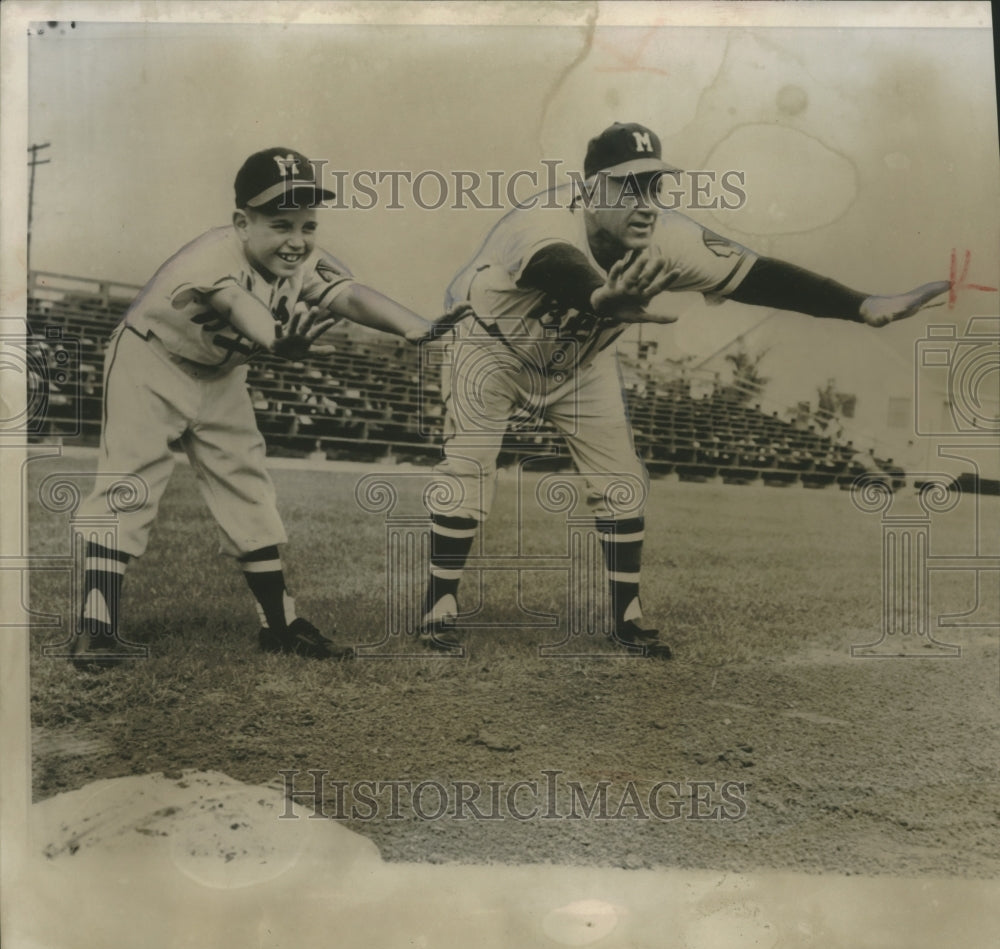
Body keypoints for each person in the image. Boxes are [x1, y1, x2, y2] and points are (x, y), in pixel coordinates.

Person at [420, 121, 948, 657]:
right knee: (467, 466)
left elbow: (759, 276)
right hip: (490, 349)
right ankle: (440, 604)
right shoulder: (540, 218)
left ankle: (627, 617)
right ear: (589, 190)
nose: (647, 202)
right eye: (629, 188)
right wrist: (601, 298)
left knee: (622, 480)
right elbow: (556, 265)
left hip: (580, 364)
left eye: (654, 187)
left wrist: (861, 305)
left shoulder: (668, 239)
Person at [69, 147, 453, 670]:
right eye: (280, 224)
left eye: (307, 224)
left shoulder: (298, 259)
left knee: (248, 488)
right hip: (151, 360)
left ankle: (279, 625)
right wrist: (277, 340)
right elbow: (236, 305)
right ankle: (95, 628)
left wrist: (417, 326)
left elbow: (351, 296)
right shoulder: (214, 256)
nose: (297, 240)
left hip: (221, 373)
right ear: (241, 223)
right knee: (128, 482)